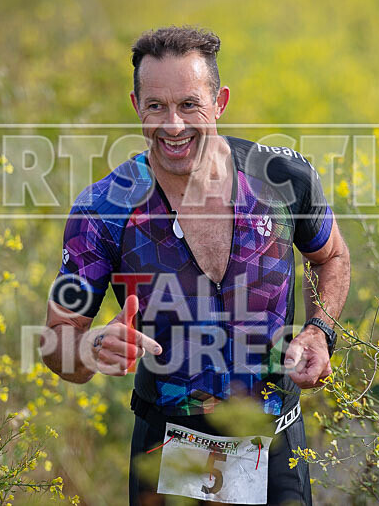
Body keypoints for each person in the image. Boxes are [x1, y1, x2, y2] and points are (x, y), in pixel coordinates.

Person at [43, 26, 350, 505]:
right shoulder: (103, 209)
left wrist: (319, 330)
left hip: (276, 440)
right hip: (172, 450)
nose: (173, 125)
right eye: (156, 106)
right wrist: (88, 348)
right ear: (135, 105)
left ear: (220, 101)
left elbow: (330, 257)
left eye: (189, 104)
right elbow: (55, 343)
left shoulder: (283, 180)